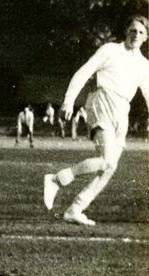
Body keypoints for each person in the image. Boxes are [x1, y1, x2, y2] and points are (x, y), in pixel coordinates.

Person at [43, 15, 149, 226]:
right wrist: (68, 100)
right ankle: (56, 179)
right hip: (102, 102)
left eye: (141, 32)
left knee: (109, 167)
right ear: (126, 31)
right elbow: (85, 71)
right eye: (132, 30)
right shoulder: (110, 50)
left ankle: (76, 209)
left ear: (146, 37)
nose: (135, 35)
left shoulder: (144, 65)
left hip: (122, 110)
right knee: (107, 160)